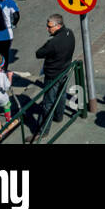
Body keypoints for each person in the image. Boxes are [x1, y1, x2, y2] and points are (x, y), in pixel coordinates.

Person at [29, 14, 75, 142]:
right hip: (65, 70)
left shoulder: (53, 43)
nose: (47, 29)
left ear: (58, 25)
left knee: (48, 103)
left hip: (52, 75)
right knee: (61, 95)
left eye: (49, 27)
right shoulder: (69, 33)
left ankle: (43, 131)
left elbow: (39, 53)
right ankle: (59, 116)